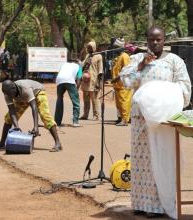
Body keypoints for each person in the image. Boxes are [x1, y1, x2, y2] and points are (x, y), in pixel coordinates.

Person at [118, 26, 191, 218]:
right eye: (152, 40)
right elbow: (126, 81)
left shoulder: (174, 61)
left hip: (164, 121)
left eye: (159, 39)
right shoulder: (136, 59)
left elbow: (185, 86)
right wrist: (141, 65)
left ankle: (158, 206)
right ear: (147, 40)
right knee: (143, 163)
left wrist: (165, 95)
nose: (155, 43)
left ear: (164, 40)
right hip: (141, 119)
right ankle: (142, 203)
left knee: (162, 160)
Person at [0, 79, 62, 152]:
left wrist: (36, 127)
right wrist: (16, 127)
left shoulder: (25, 88)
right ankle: (2, 143)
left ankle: (58, 143)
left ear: (14, 89)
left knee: (45, 115)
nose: (9, 96)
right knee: (8, 118)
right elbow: (12, 111)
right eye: (7, 94)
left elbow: (34, 107)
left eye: (10, 94)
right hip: (22, 99)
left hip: (38, 93)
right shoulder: (7, 94)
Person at [111, 37, 133, 126]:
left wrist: (116, 78)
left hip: (123, 84)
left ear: (120, 47)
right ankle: (121, 118)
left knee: (124, 102)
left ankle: (125, 120)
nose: (114, 48)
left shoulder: (125, 56)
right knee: (119, 103)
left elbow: (127, 70)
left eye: (116, 47)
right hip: (117, 85)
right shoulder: (118, 57)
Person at [80, 41, 103, 120]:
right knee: (85, 99)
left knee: (94, 99)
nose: (88, 49)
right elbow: (82, 66)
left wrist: (99, 83)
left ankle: (96, 115)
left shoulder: (99, 56)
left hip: (94, 81)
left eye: (90, 47)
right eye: (88, 47)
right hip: (85, 81)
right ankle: (85, 114)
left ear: (94, 48)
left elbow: (100, 70)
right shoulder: (87, 56)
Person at [54, 59, 82, 127]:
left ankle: (57, 121)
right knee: (76, 102)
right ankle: (75, 121)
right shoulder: (79, 66)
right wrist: (77, 89)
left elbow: (58, 74)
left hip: (59, 80)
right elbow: (79, 78)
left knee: (59, 100)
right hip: (69, 80)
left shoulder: (64, 64)